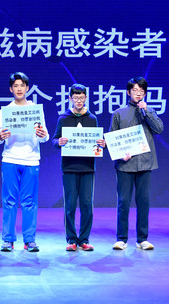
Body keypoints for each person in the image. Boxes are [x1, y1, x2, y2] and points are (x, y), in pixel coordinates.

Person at [0, 72, 49, 252]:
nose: (19, 89)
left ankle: (29, 240)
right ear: (11, 89)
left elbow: (44, 136)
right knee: (9, 201)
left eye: (22, 85)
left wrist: (43, 135)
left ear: (27, 88)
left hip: (31, 160)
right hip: (10, 159)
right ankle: (8, 240)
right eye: (15, 86)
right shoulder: (4, 111)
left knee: (29, 202)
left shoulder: (35, 109)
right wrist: (1, 136)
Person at [110, 76, 163, 251]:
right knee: (123, 202)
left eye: (141, 91)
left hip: (145, 163)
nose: (138, 94)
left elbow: (159, 129)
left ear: (145, 93)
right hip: (125, 165)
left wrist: (146, 111)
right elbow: (112, 140)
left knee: (144, 202)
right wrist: (120, 156)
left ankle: (142, 239)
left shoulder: (149, 111)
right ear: (128, 92)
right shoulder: (119, 113)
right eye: (135, 90)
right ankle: (121, 239)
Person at [52, 84, 106, 252]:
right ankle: (71, 239)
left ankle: (84, 239)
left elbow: (97, 141)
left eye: (82, 98)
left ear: (86, 98)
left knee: (87, 204)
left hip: (88, 167)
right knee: (69, 205)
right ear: (70, 98)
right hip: (69, 167)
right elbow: (54, 140)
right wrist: (59, 142)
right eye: (76, 98)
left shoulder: (92, 119)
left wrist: (102, 144)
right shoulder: (63, 118)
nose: (79, 101)